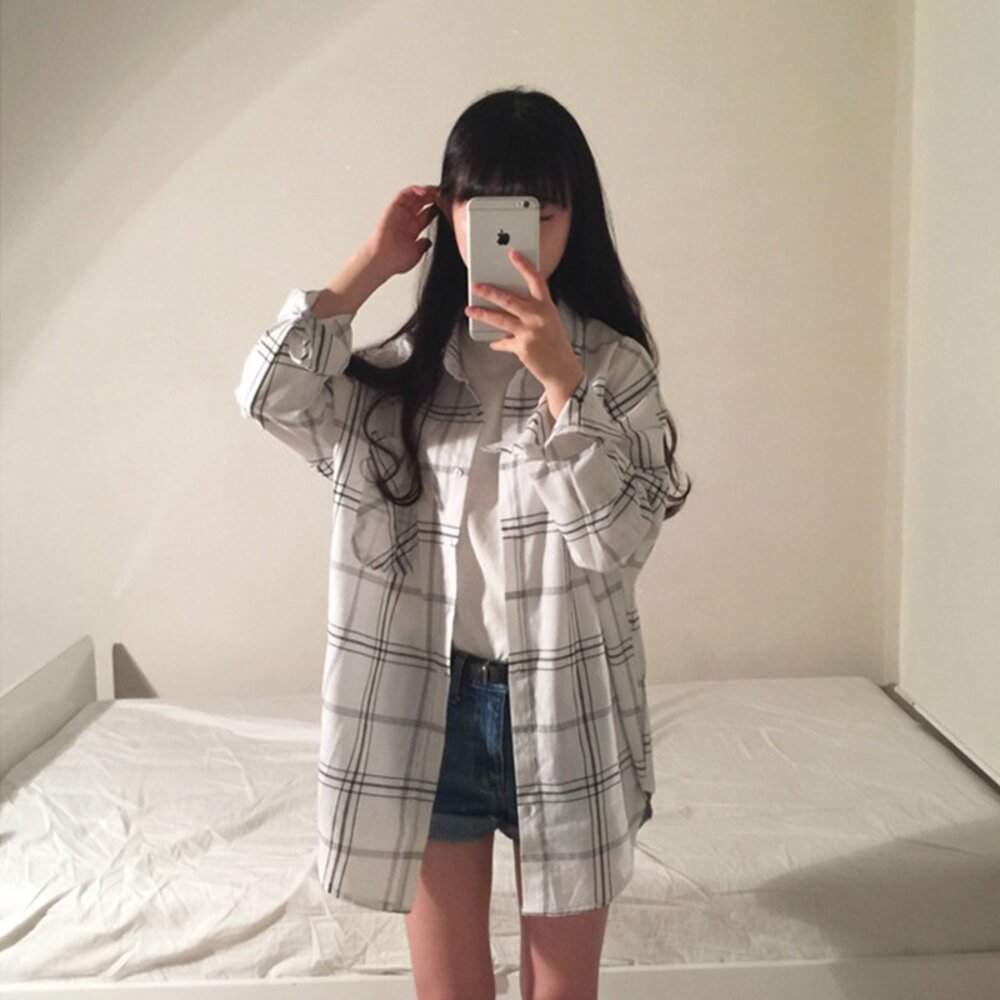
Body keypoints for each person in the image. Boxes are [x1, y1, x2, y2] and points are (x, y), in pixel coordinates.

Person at [235, 86, 690, 1000]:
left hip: (567, 706)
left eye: (544, 213)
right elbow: (268, 396)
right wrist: (368, 267)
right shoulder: (395, 378)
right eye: (488, 211)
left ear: (575, 220)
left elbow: (619, 541)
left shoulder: (613, 368)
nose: (520, 238)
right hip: (428, 708)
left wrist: (562, 385)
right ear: (449, 216)